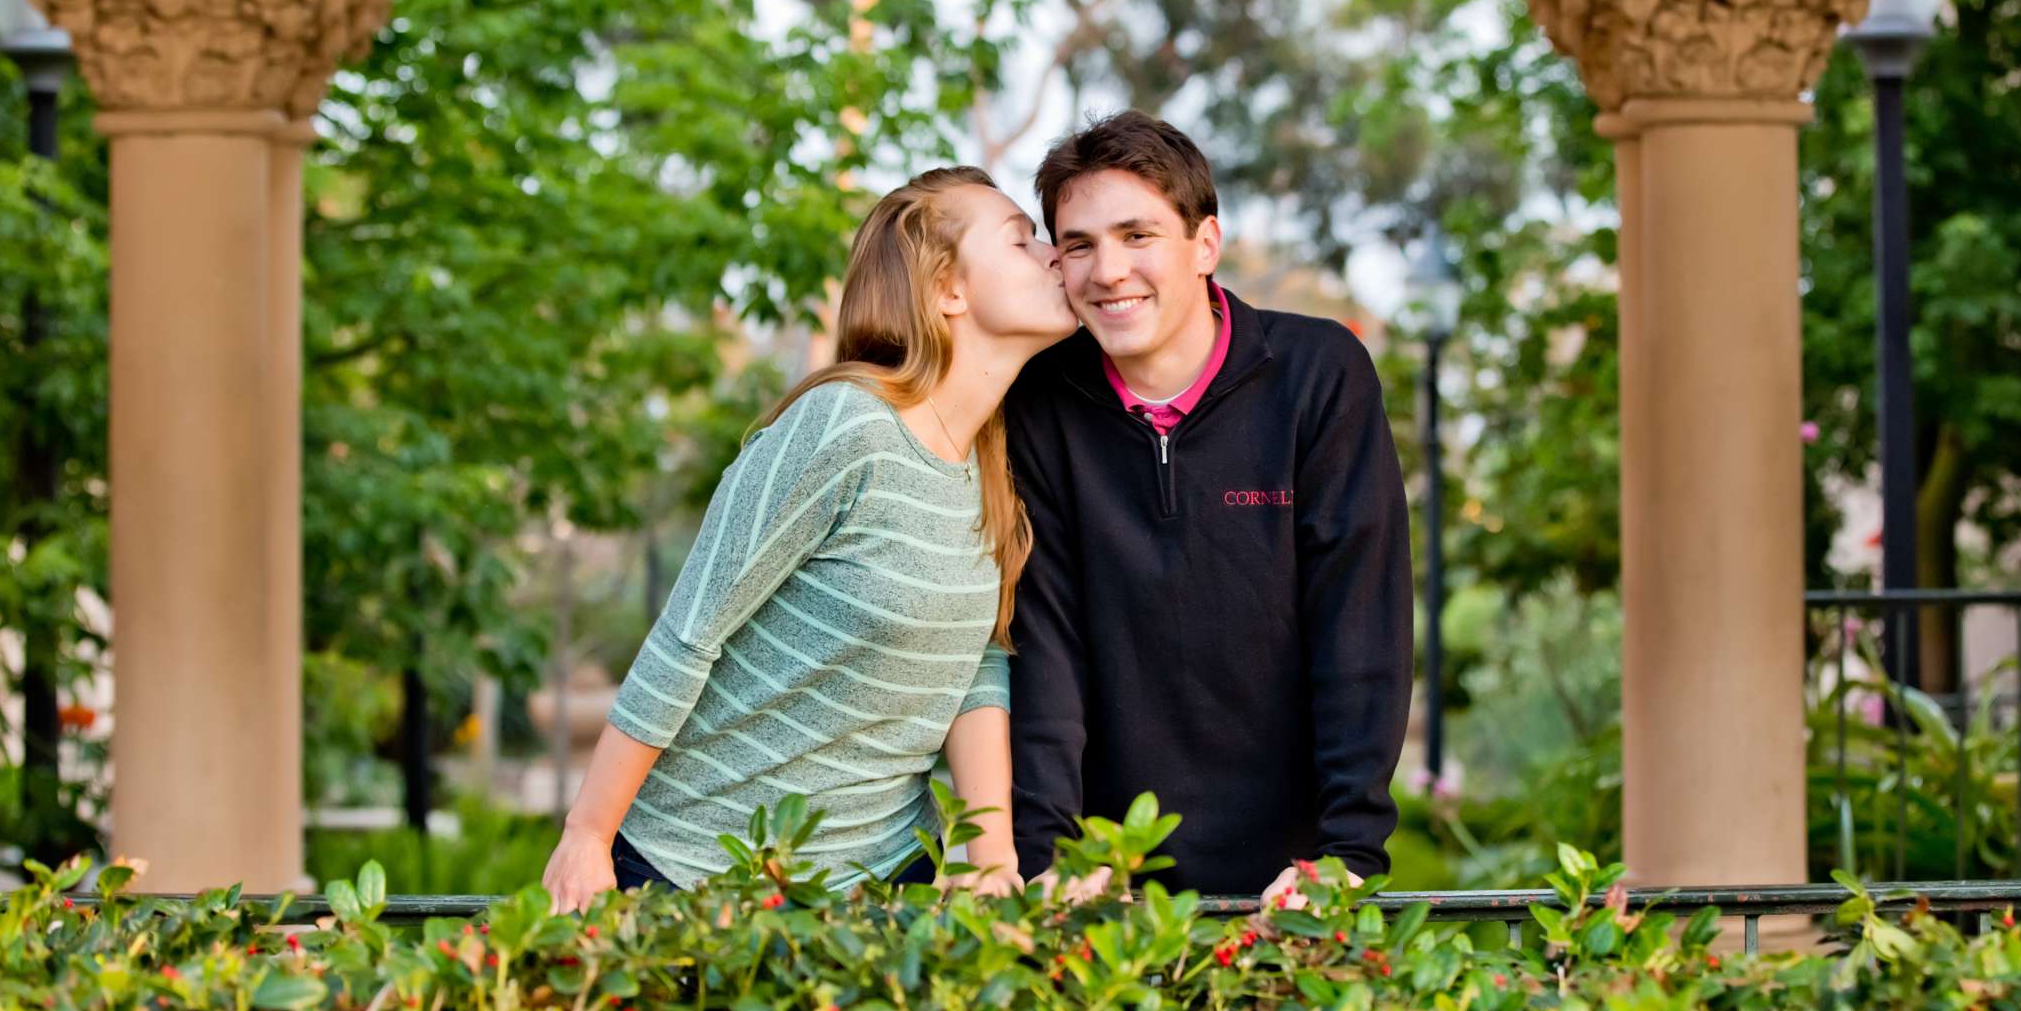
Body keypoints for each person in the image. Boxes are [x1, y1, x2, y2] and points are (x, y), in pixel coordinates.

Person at [541, 167, 1078, 910]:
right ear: (947, 290)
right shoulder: (844, 426)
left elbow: (977, 662)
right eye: (1023, 241)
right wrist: (588, 834)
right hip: (697, 873)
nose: (1058, 254)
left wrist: (990, 854)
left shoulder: (991, 456)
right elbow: (692, 631)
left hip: (880, 890)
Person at [1006, 111, 1414, 900]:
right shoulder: (1040, 405)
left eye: (1137, 235)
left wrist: (1349, 856)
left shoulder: (1317, 378)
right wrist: (1047, 858)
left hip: (1293, 884)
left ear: (1205, 244)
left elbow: (1359, 626)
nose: (1108, 271)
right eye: (1079, 245)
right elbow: (1045, 644)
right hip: (1107, 889)